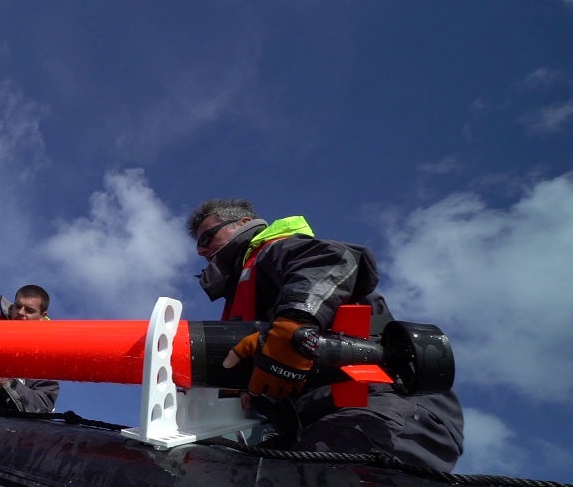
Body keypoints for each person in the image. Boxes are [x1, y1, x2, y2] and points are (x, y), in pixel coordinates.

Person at [187, 198, 464, 472]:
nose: (202, 251)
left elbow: (334, 259)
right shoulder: (250, 291)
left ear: (244, 223)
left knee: (318, 485)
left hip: (383, 405)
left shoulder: (277, 250)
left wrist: (295, 324)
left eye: (207, 238)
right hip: (316, 422)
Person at [0, 284, 61, 413]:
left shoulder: (44, 356)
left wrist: (7, 382)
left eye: (29, 310)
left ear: (42, 316)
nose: (21, 312)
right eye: (18, 306)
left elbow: (42, 405)